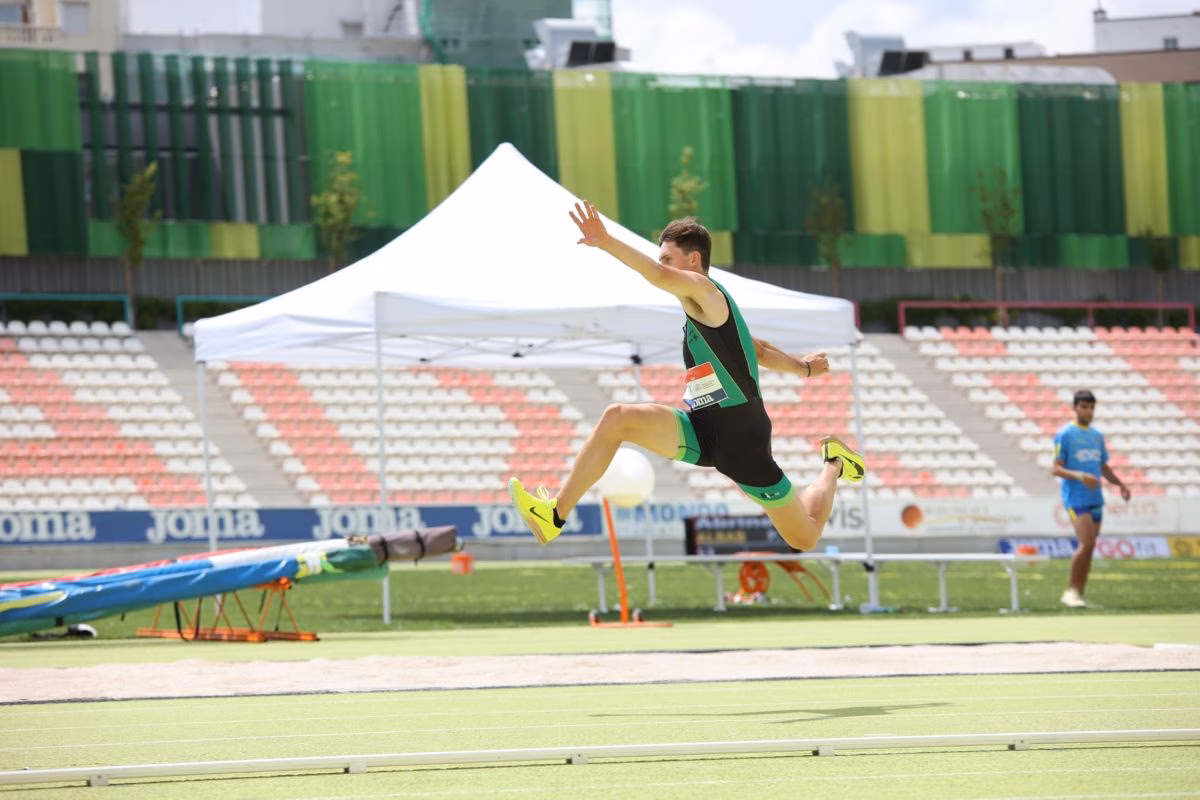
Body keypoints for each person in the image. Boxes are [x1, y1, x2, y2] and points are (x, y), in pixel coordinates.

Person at [508, 201, 865, 552]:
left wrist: (607, 242)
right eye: (661, 258)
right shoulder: (703, 312)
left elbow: (658, 277)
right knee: (617, 419)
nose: (662, 266)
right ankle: (553, 516)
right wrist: (803, 368)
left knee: (804, 538)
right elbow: (758, 350)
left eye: (667, 258)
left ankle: (834, 462)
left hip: (742, 441)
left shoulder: (705, 291)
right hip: (704, 428)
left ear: (693, 261)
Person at [1052, 389, 1131, 608]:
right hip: (1075, 498)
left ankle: (1079, 592)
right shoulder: (1065, 434)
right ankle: (1069, 591)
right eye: (1084, 406)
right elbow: (1056, 469)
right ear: (1075, 407)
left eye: (1091, 407)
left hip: (1095, 497)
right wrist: (1079, 475)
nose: (1088, 411)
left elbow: (1102, 466)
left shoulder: (1096, 435)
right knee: (1086, 542)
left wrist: (1120, 484)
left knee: (1091, 545)